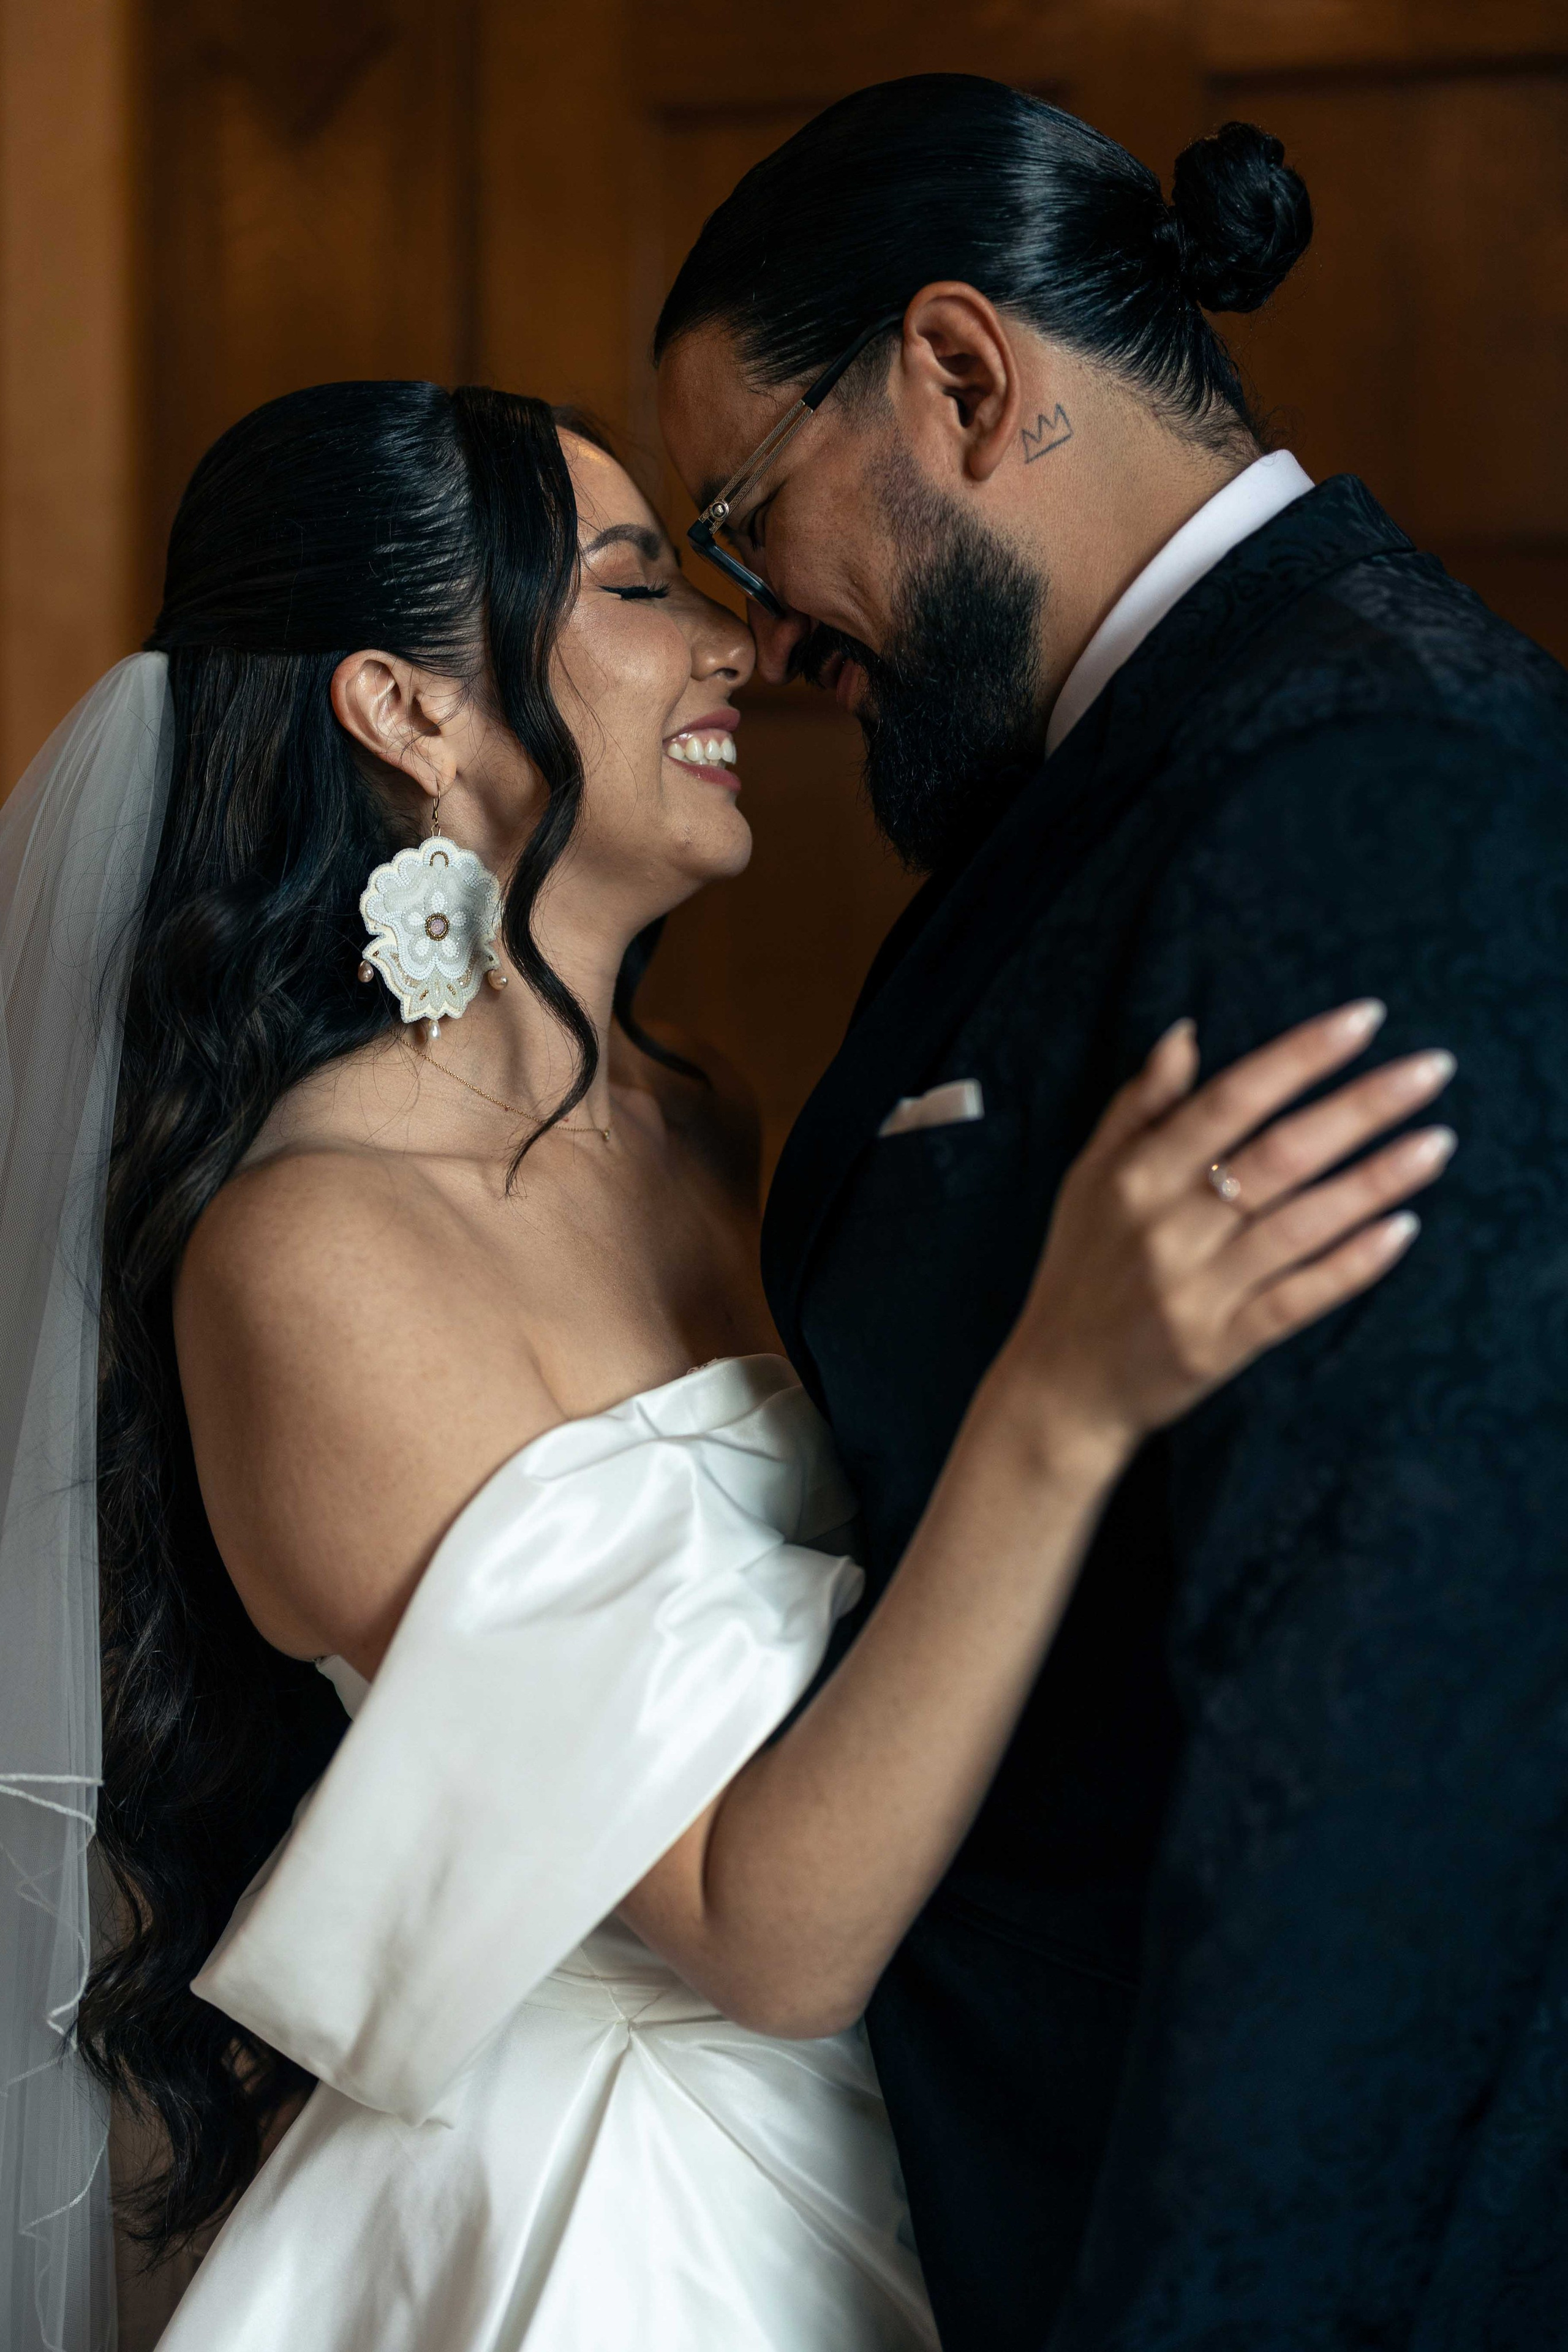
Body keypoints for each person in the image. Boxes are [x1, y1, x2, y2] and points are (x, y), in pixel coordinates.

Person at [0, 382, 1447, 2352]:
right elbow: (767, 1936)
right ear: (401, 708)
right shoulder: (309, 1249)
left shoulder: (705, 1125)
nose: (735, 641)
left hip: (942, 2151)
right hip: (616, 2220)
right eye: (629, 586)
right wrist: (1070, 1389)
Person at [654, 73, 1568, 2352]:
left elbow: (1391, 1742)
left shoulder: (1366, 773)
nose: (764, 637)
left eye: (752, 518)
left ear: (961, 378)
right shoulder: (1105, 776)